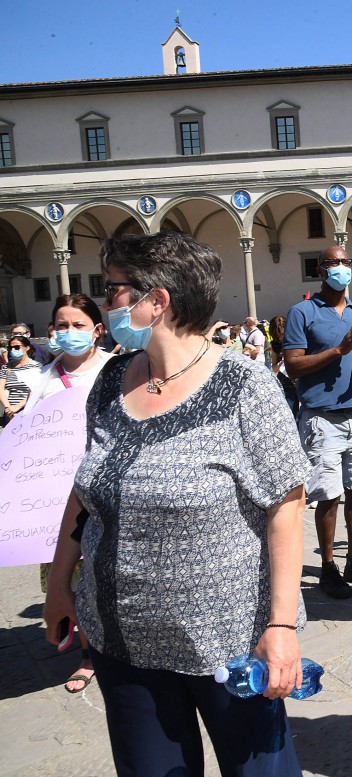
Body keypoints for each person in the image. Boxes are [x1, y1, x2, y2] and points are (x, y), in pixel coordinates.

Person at [42, 231, 309, 775]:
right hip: (123, 640)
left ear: (155, 300)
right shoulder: (112, 380)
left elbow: (287, 504)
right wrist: (59, 584)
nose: (107, 300)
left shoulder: (244, 385)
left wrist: (280, 628)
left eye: (113, 288)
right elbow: (85, 489)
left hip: (227, 644)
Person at [284, 245, 352, 600]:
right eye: (334, 263)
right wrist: (338, 351)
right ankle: (328, 566)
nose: (342, 268)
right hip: (321, 417)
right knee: (328, 495)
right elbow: (294, 365)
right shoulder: (303, 312)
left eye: (346, 262)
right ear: (321, 269)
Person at [26, 293, 114, 694]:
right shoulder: (41, 378)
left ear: (97, 330)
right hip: (56, 498)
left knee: (105, 569)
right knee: (70, 574)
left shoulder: (115, 370)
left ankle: (110, 643)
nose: (68, 332)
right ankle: (86, 652)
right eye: (61, 325)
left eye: (78, 325)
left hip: (107, 491)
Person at [0, 334, 42, 424]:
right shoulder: (6, 367)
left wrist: (18, 407)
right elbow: (1, 389)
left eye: (17, 347)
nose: (13, 350)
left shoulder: (36, 366)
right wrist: (8, 408)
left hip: (29, 410)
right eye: (10, 348)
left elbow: (37, 391)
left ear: (27, 348)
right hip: (9, 413)